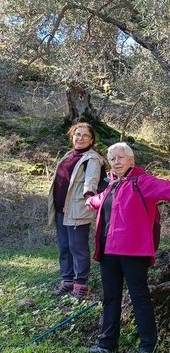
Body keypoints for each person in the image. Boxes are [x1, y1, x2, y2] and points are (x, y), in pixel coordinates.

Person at [85, 142, 170, 353]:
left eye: (120, 158)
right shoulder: (112, 185)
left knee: (139, 297)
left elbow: (169, 188)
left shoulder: (142, 182)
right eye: (112, 159)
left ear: (131, 160)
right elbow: (101, 201)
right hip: (108, 253)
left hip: (134, 252)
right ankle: (106, 345)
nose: (116, 162)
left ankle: (147, 347)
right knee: (110, 298)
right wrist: (90, 201)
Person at [47, 122, 105, 298]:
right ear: (72, 136)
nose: (80, 138)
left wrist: (89, 195)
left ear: (91, 140)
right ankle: (67, 280)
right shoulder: (68, 155)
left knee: (77, 247)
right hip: (60, 209)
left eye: (85, 135)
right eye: (77, 134)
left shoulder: (92, 159)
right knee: (64, 246)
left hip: (78, 208)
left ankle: (80, 285)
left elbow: (91, 180)